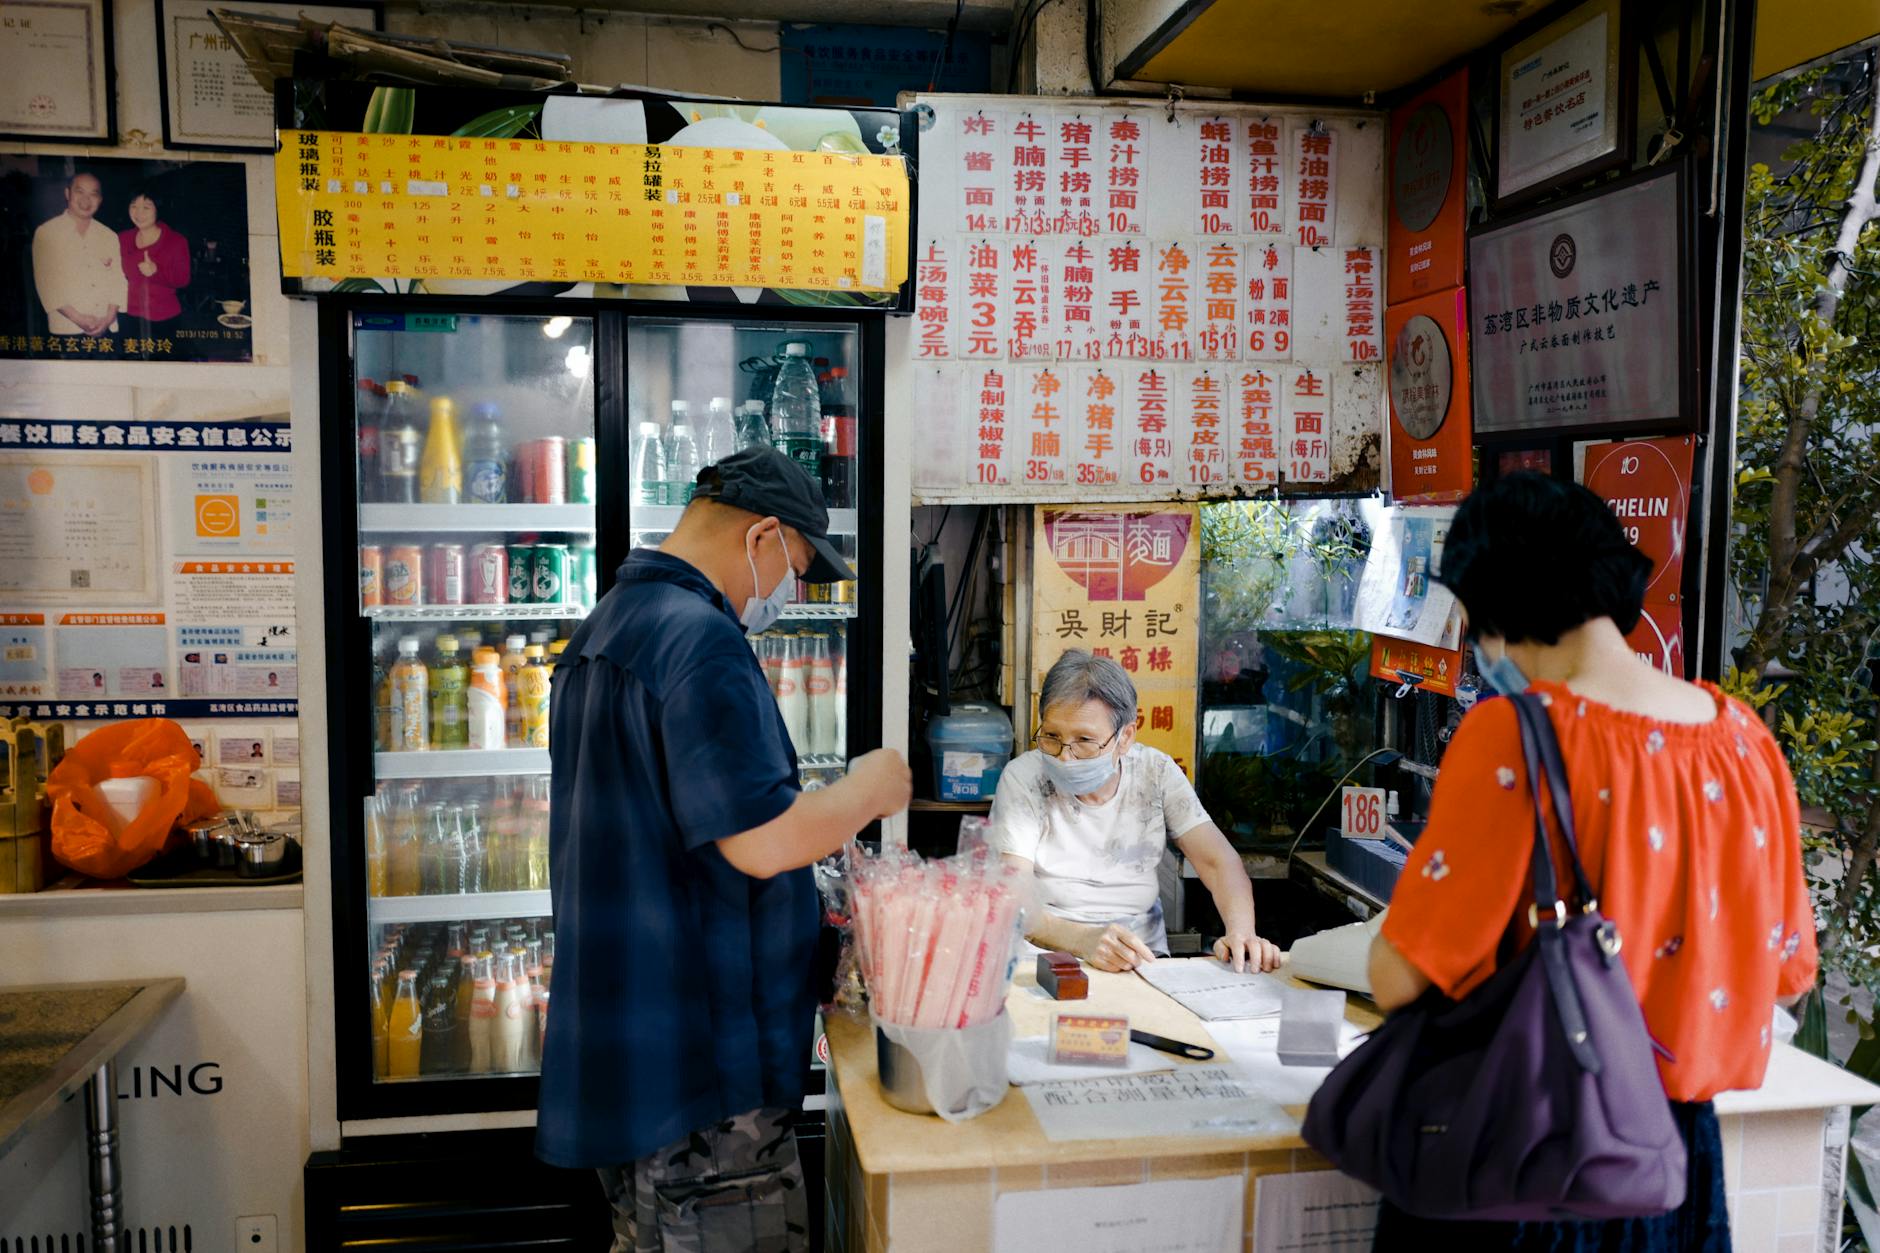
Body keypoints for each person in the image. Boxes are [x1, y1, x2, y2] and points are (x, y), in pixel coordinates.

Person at [1367, 473, 1817, 1251]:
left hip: (1519, 1156)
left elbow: (1402, 975)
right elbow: (1786, 971)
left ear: (1498, 608)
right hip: (1674, 1165)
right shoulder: (1745, 741)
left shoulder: (1516, 736)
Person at [536, 444, 911, 1253]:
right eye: (798, 568)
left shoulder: (605, 627)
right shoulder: (701, 642)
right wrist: (872, 787)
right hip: (707, 1078)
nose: (787, 592)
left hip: (632, 1060)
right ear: (763, 535)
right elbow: (762, 842)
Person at [989, 649, 1280, 974]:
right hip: (1044, 955)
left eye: (1085, 740)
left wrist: (1241, 933)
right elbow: (1013, 894)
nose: (1065, 757)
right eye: (1052, 737)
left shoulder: (1155, 771)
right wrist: (1083, 940)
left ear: (1125, 736)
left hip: (1140, 957)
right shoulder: (1024, 778)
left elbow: (1217, 861)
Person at [31, 172, 125, 336]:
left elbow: (118, 280)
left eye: (93, 194)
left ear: (100, 200)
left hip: (106, 326)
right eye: (79, 191)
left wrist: (108, 318)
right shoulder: (47, 232)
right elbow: (47, 284)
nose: (86, 200)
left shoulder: (109, 235)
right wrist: (79, 319)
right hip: (67, 328)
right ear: (68, 194)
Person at [119, 190, 191, 336]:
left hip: (163, 317)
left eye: (146, 207)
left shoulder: (176, 241)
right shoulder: (121, 239)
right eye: (134, 206)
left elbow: (183, 279)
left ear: (158, 210)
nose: (139, 213)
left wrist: (156, 271)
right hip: (129, 314)